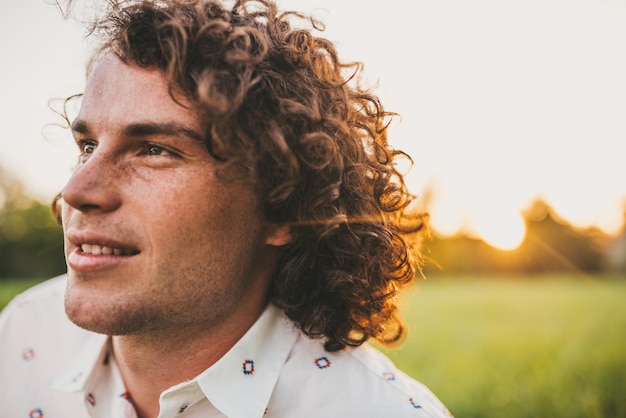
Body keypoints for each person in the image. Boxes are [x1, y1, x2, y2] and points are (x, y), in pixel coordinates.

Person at [0, 0, 452, 416]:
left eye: (155, 149)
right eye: (88, 146)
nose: (76, 191)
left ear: (282, 207)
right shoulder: (21, 337)